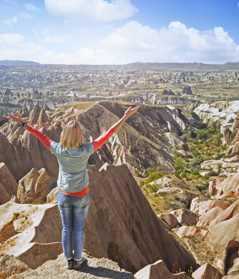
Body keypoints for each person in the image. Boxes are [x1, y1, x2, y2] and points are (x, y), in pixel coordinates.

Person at [8, 104, 140, 270]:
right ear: (79, 135)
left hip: (64, 195)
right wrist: (125, 117)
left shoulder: (58, 149)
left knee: (66, 229)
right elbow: (108, 134)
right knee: (78, 229)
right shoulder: (86, 150)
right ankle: (78, 259)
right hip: (81, 196)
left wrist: (22, 124)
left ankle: (69, 261)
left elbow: (40, 135)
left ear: (64, 135)